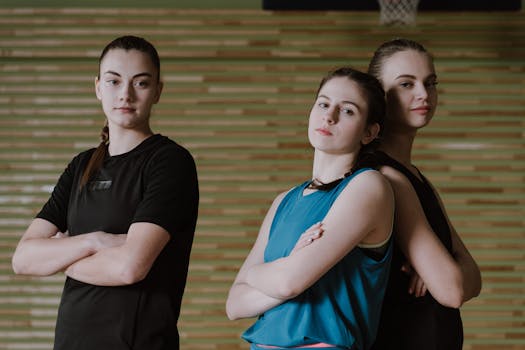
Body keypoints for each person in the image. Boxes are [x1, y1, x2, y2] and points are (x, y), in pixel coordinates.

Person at [11, 35, 199, 350]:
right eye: (113, 81)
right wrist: (95, 241)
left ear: (157, 92)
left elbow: (128, 267)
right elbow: (23, 259)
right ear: (98, 87)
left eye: (140, 83)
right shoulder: (82, 165)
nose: (125, 94)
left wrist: (60, 257)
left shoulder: (169, 162)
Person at [226, 67, 395, 350]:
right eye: (324, 103)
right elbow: (235, 304)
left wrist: (262, 274)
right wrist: (287, 267)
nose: (329, 116)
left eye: (348, 111)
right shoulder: (284, 200)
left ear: (369, 132)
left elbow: (289, 282)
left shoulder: (368, 186)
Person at [367, 38, 482, 350]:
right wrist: (446, 273)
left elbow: (473, 275)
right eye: (406, 84)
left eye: (430, 83)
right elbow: (455, 289)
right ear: (378, 94)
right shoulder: (385, 176)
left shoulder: (417, 178)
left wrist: (447, 270)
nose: (423, 94)